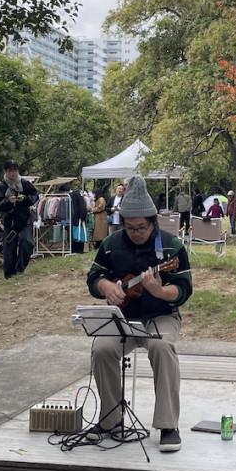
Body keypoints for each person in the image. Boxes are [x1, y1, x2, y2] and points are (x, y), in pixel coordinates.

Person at [87, 175, 193, 453]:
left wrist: (159, 290)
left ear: (153, 222)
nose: (135, 233)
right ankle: (110, 420)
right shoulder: (111, 244)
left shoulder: (171, 246)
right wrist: (106, 287)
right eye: (130, 227)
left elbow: (184, 288)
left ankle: (168, 425)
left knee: (162, 346)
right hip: (123, 317)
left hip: (161, 315)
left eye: (141, 228)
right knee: (102, 349)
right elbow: (94, 278)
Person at [0, 160, 39, 278]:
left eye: (15, 170)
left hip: (25, 218)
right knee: (9, 247)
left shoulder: (24, 183)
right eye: (10, 171)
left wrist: (25, 199)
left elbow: (35, 196)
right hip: (10, 219)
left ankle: (20, 268)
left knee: (27, 242)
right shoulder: (1, 186)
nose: (13, 173)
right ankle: (9, 274)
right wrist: (8, 201)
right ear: (5, 171)